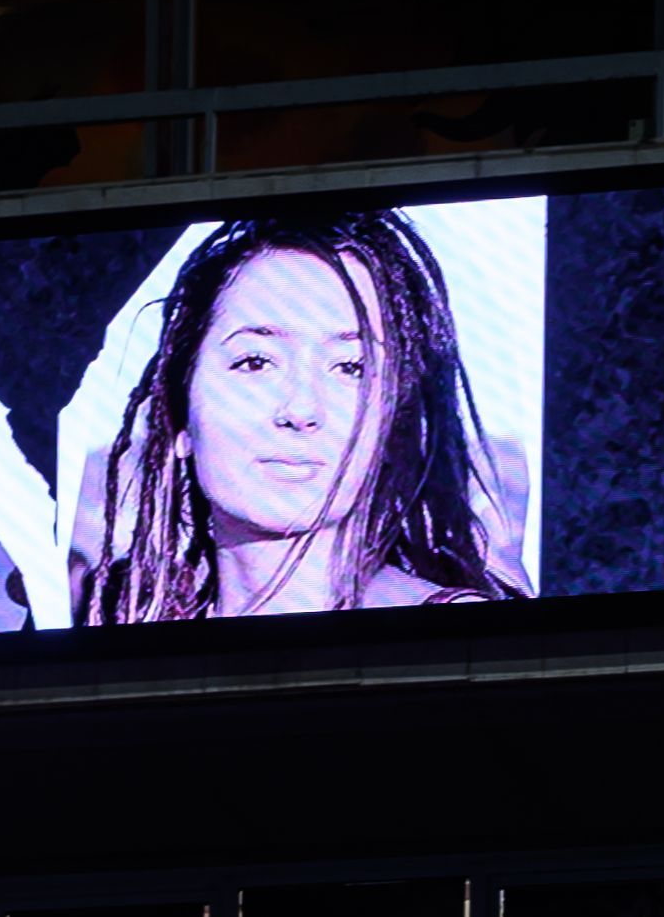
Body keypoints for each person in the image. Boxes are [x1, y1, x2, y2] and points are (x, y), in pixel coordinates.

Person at [68, 211, 517, 626]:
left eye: (351, 368)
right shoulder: (120, 627)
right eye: (256, 362)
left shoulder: (454, 640)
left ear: (392, 422)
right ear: (180, 413)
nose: (301, 411)